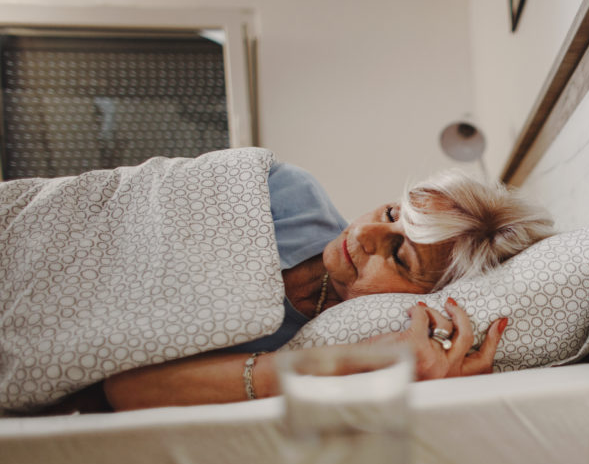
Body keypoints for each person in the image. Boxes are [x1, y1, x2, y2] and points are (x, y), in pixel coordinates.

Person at [82, 162, 554, 411]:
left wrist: (361, 361)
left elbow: (126, 388)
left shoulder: (325, 335)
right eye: (392, 214)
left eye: (399, 256)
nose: (365, 234)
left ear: (423, 300)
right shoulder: (284, 194)